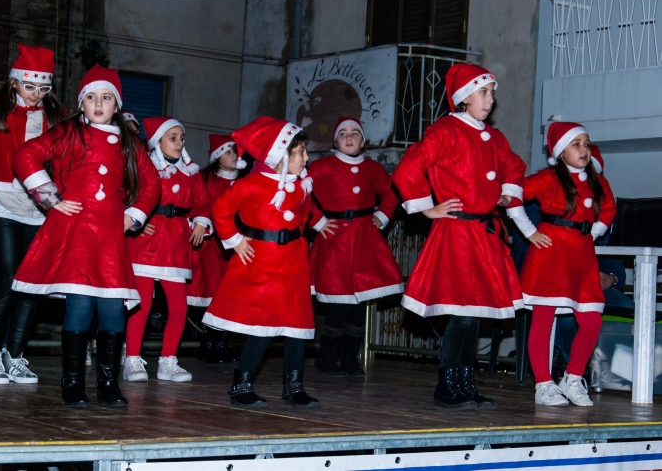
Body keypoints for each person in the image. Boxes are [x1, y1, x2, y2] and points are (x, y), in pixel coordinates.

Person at [10, 65, 161, 407]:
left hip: (109, 238)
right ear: (81, 103)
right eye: (90, 97)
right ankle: (73, 384)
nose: (98, 104)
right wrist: (50, 198)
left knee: (111, 308)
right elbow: (25, 155)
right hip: (76, 234)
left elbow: (152, 183)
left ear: (116, 105)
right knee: (79, 306)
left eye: (106, 98)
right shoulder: (68, 133)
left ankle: (108, 385)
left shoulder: (128, 142)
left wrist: (132, 216)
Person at [392, 63, 526, 409]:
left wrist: (506, 194)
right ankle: (447, 381)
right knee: (462, 313)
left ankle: (466, 381)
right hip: (457, 233)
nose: (490, 100)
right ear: (464, 97)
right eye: (484, 92)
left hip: (484, 234)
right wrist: (427, 208)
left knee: (477, 313)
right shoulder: (445, 130)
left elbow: (513, 165)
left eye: (492, 93)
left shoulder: (495, 137)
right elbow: (410, 167)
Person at [0, 44, 65, 385]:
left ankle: (15, 354)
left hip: (39, 207)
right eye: (30, 86)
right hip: (3, 200)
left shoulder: (57, 116)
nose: (36, 94)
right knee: (7, 276)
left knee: (31, 282)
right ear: (14, 83)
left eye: (43, 88)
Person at [202, 116, 319, 409]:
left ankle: (294, 385)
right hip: (263, 261)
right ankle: (242, 382)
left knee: (296, 325)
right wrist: (235, 240)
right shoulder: (251, 184)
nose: (306, 158)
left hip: (293, 261)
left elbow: (304, 215)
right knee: (262, 325)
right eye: (300, 152)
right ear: (281, 156)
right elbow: (220, 209)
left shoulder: (302, 186)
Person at [507, 122, 616, 407]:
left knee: (592, 320)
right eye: (575, 144)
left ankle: (572, 377)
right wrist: (529, 232)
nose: (583, 149)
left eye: (586, 144)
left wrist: (594, 231)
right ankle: (543, 384)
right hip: (551, 253)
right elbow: (514, 194)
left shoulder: (596, 180)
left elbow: (608, 206)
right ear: (559, 151)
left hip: (582, 256)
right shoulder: (548, 177)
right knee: (543, 320)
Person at [307, 117, 403, 378]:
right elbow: (299, 192)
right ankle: (326, 358)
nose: (349, 138)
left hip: (363, 241)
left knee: (359, 304)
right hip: (335, 241)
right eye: (343, 134)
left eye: (355, 134)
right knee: (339, 302)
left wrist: (382, 216)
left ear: (363, 140)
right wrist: (318, 221)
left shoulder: (373, 169)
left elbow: (392, 194)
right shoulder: (322, 166)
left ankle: (350, 358)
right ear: (335, 140)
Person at [123, 116, 211, 382]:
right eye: (172, 138)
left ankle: (168, 361)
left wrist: (200, 222)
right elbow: (125, 194)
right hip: (145, 244)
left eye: (181, 138)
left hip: (175, 246)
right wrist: (137, 219)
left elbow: (203, 203)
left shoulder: (191, 174)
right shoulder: (143, 168)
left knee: (179, 308)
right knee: (142, 305)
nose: (179, 142)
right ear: (156, 141)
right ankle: (132, 359)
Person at [188, 134, 242, 364]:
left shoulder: (245, 182)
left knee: (230, 296)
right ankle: (208, 343)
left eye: (235, 151)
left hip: (237, 247)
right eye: (227, 151)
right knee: (211, 293)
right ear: (217, 156)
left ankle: (221, 344)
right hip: (211, 247)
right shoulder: (204, 180)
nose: (233, 155)